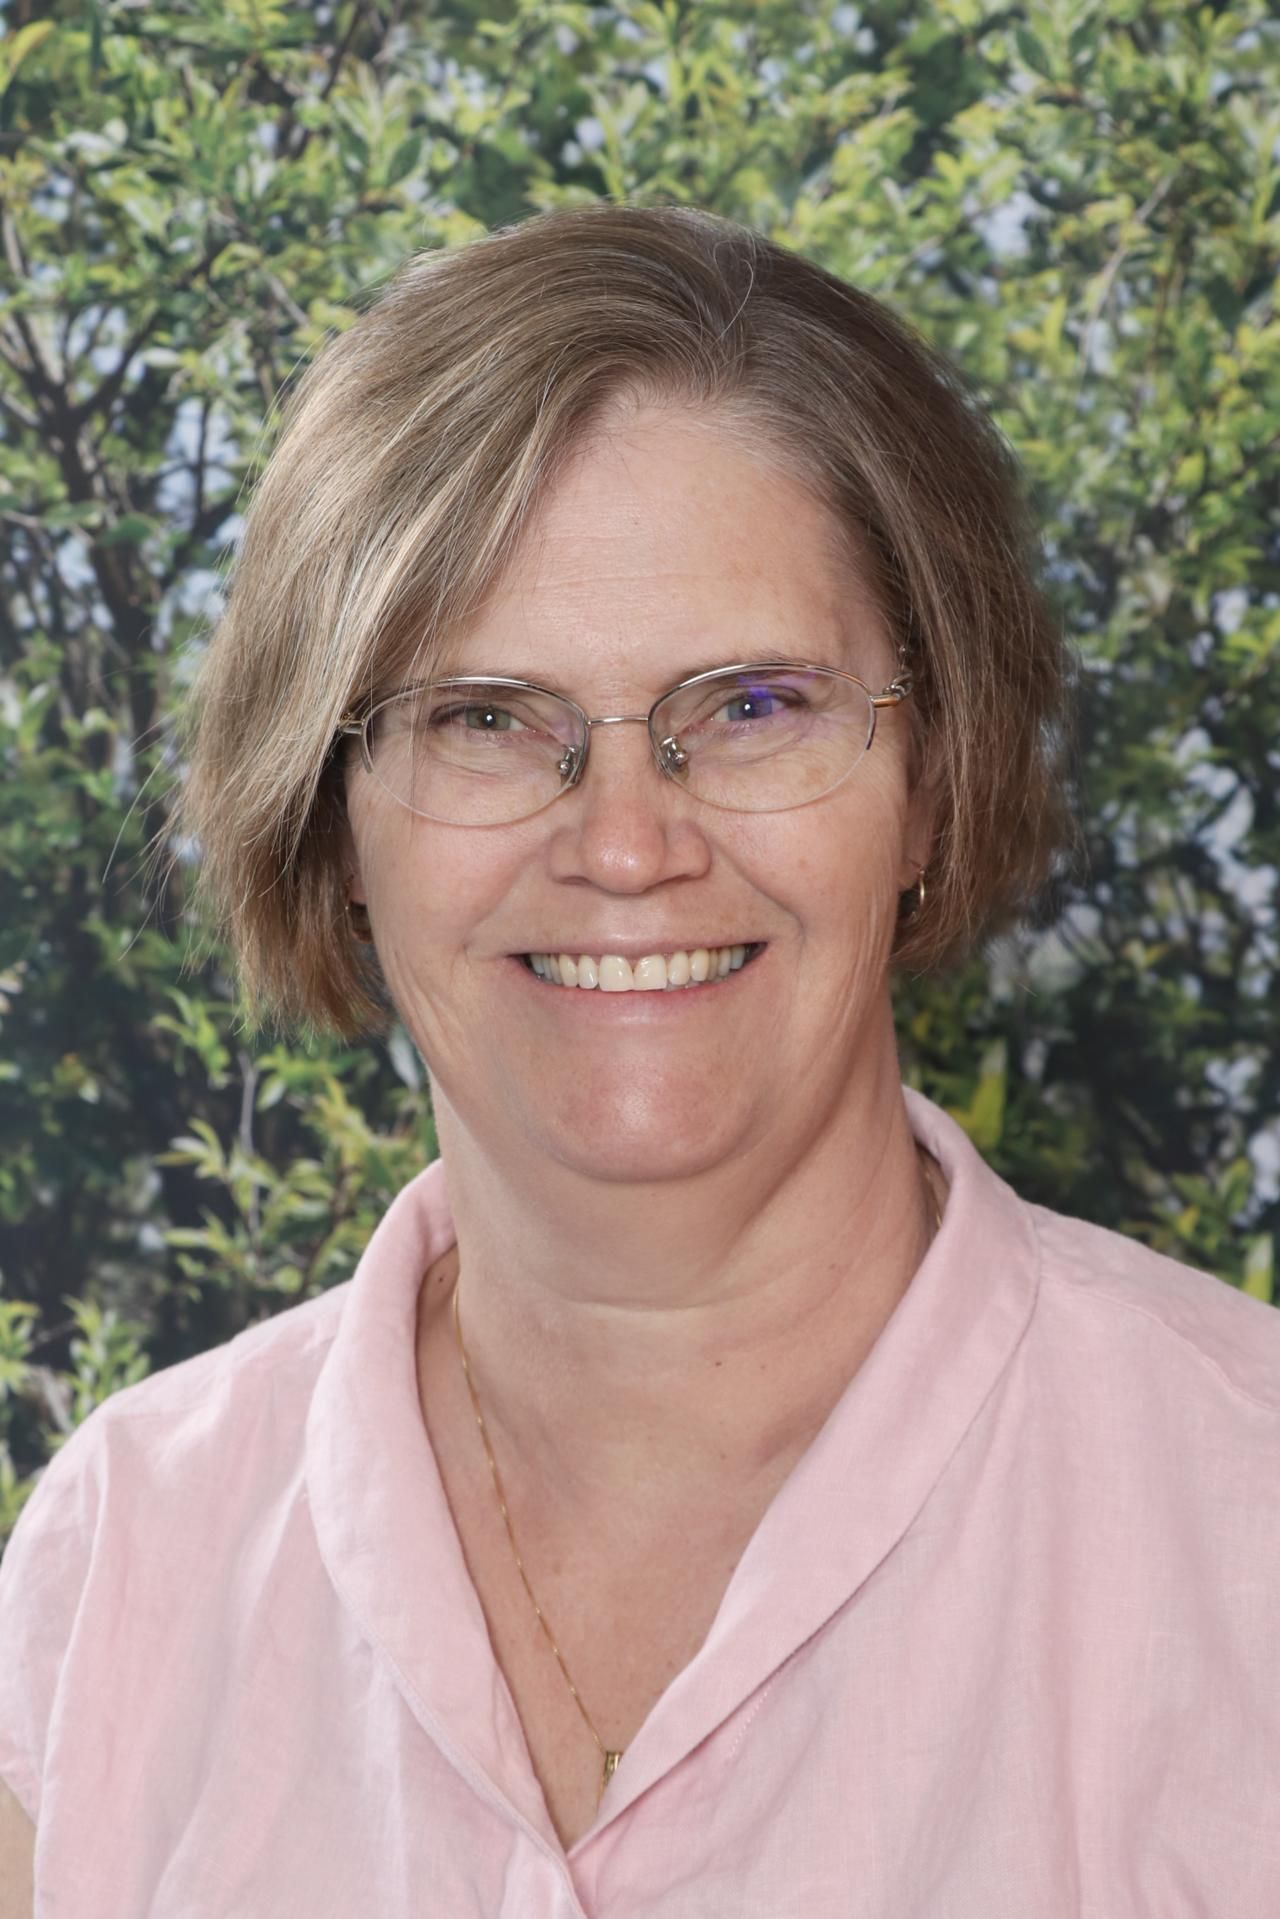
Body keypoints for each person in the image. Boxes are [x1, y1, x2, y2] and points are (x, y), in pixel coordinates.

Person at [1, 201, 1277, 1917]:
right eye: (482, 716)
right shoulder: (120, 1567)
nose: (623, 845)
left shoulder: (1246, 1520)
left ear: (934, 776)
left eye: (751, 706)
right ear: (333, 821)